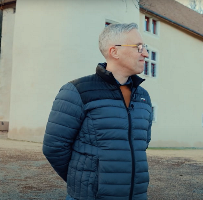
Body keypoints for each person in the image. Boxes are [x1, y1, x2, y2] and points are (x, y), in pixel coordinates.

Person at [43, 23, 152, 200]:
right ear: (114, 52)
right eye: (138, 47)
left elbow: (142, 144)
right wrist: (85, 182)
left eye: (144, 47)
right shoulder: (76, 91)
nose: (145, 53)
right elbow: (54, 148)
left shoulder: (143, 97)